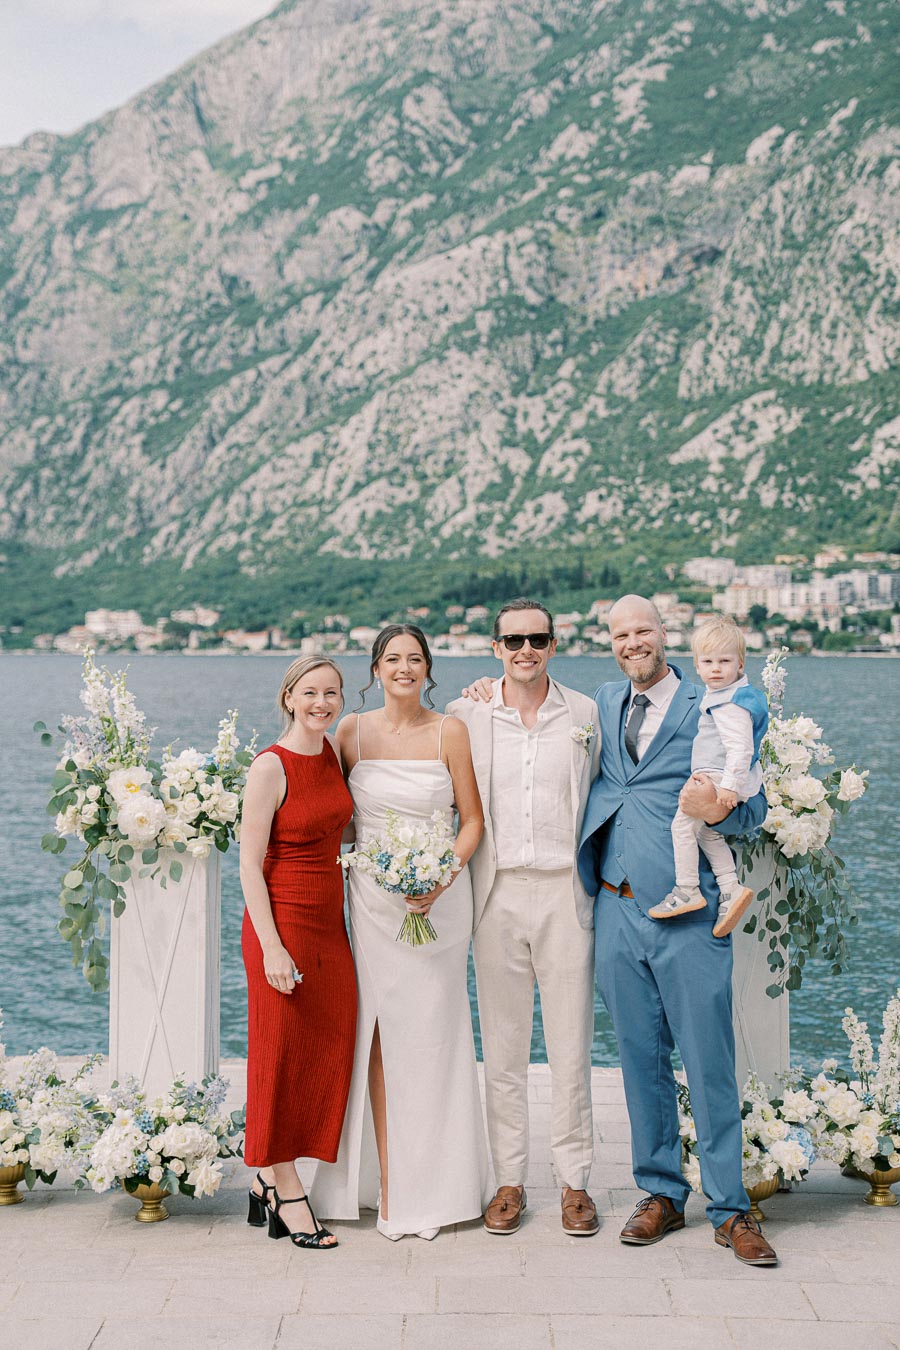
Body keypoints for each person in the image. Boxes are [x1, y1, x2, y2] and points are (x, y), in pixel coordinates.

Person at [577, 595, 778, 1266]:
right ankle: (661, 1192)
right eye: (621, 633)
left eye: (645, 631)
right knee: (639, 1061)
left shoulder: (713, 701)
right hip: (615, 905)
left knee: (709, 1060)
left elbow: (753, 810)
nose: (634, 641)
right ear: (612, 642)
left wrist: (713, 811)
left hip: (689, 917)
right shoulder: (604, 702)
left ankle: (730, 1207)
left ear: (667, 637)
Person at [312, 624, 490, 1240]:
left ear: (428, 668)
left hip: (439, 903)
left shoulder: (451, 731)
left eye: (415, 659)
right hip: (373, 902)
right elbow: (336, 820)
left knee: (435, 1037)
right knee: (382, 1036)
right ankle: (390, 1184)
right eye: (393, 659)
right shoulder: (351, 732)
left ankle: (440, 1188)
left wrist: (442, 875)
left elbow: (472, 821)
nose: (405, 668)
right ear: (376, 669)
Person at [449, 599, 601, 1237]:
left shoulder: (586, 714)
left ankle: (575, 1183)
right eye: (513, 641)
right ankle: (509, 1181)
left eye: (537, 638)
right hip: (496, 894)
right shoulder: (468, 712)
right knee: (504, 1049)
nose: (525, 650)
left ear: (554, 644)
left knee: (572, 1045)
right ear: (495, 647)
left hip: (567, 895)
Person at [240, 656, 356, 1251]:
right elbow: (248, 865)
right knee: (280, 1054)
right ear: (288, 697)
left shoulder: (332, 752)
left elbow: (343, 829)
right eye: (309, 693)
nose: (321, 702)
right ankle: (286, 1191)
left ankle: (266, 1176)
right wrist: (272, 948)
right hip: (281, 922)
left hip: (330, 927)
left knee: (326, 1048)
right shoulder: (270, 766)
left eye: (331, 692)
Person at [648, 616, 768, 936]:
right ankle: (730, 887)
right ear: (697, 667)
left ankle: (687, 889)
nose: (716, 668)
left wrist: (729, 787)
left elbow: (740, 748)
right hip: (721, 775)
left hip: (720, 777)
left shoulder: (730, 703)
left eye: (725, 661)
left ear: (740, 664)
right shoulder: (725, 695)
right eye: (708, 661)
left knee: (681, 826)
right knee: (706, 833)